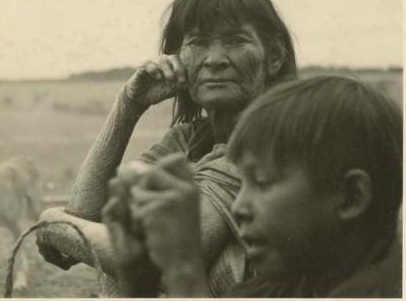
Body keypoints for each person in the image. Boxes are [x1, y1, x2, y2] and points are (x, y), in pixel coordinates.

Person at [36, 0, 297, 295]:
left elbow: (157, 258)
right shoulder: (190, 140)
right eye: (198, 43)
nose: (214, 59)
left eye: (235, 41)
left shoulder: (268, 138)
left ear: (273, 57)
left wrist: (52, 223)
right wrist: (128, 106)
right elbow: (88, 214)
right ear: (178, 58)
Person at [106, 76, 402, 297]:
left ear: (351, 197)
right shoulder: (286, 282)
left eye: (261, 182)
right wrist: (139, 279)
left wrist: (184, 270)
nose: (238, 207)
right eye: (241, 183)